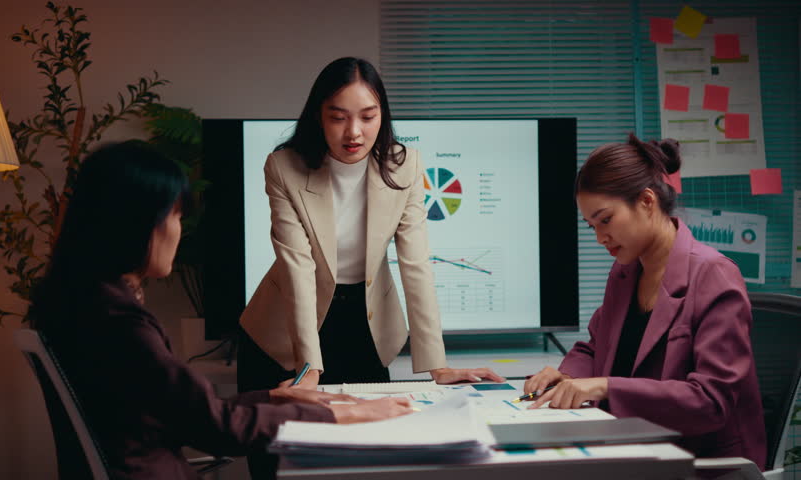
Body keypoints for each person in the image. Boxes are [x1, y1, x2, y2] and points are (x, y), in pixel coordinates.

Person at [28, 142, 413, 480]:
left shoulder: (82, 304)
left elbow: (185, 412)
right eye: (175, 215)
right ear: (137, 224)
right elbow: (217, 428)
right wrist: (339, 416)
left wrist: (275, 398)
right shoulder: (118, 323)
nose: (179, 230)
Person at [237, 57, 504, 392]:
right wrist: (309, 369)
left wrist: (438, 364)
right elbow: (297, 267)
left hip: (366, 324)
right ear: (319, 116)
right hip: (282, 335)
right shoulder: (283, 167)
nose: (354, 132)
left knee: (371, 438)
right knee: (278, 440)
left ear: (383, 115)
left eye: (368, 117)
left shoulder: (404, 165)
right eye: (338, 118)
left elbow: (416, 263)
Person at [522, 134, 766, 468]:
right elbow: (598, 348)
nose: (599, 237)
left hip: (700, 465)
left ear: (647, 202)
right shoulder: (626, 271)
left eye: (605, 219)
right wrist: (566, 376)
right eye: (591, 225)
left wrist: (605, 387)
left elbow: (711, 402)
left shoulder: (714, 275)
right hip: (636, 449)